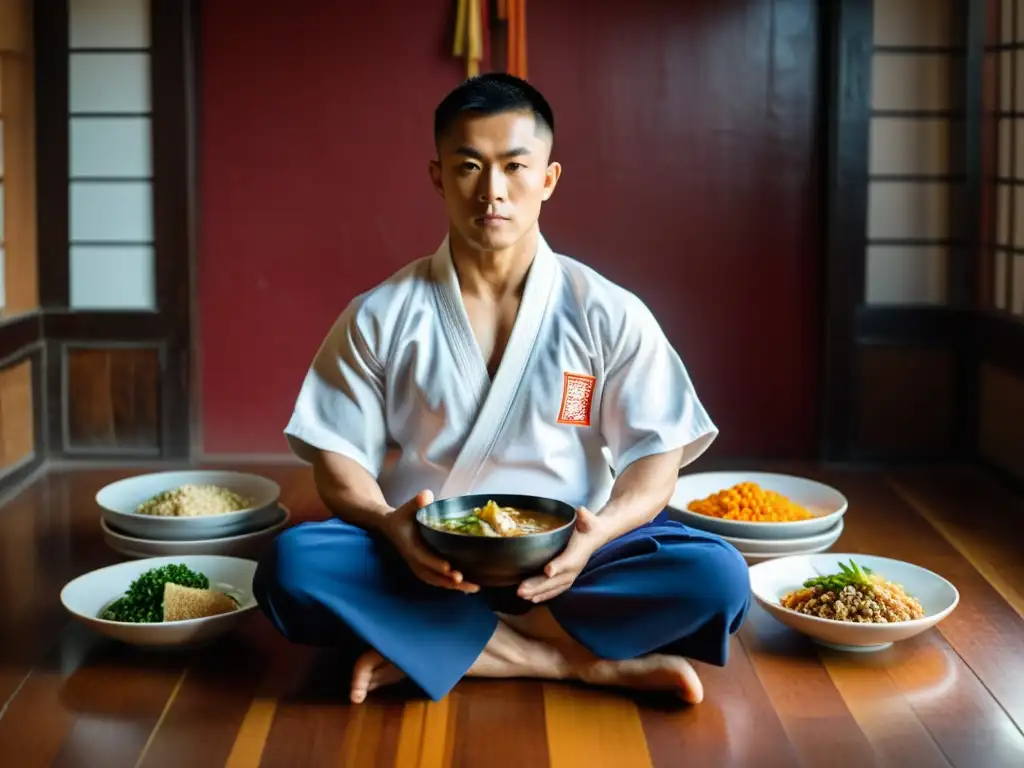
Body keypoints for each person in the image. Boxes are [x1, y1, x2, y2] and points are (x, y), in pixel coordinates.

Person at [253, 72, 751, 706]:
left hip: (570, 563)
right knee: (291, 569)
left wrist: (599, 535)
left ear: (547, 178)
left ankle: (442, 646)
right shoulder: (382, 314)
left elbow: (657, 460)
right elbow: (336, 457)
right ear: (438, 177)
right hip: (423, 560)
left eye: (515, 166)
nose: (492, 191)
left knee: (716, 578)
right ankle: (565, 660)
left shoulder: (604, 311)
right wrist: (389, 524)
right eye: (468, 167)